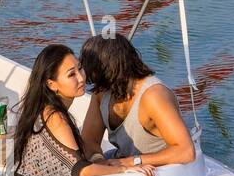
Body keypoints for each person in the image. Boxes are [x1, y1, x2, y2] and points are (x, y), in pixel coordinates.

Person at [11, 44, 157, 176]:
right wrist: (125, 169)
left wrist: (105, 162)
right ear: (52, 84)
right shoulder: (55, 117)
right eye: (71, 75)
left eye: (80, 68)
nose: (81, 78)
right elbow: (81, 170)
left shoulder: (43, 108)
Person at [79, 34, 196, 168]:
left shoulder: (154, 96)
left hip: (160, 169)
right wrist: (100, 161)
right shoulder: (101, 92)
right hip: (122, 160)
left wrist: (132, 162)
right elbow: (89, 141)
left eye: (95, 74)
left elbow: (186, 151)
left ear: (108, 70)